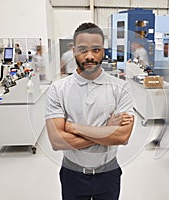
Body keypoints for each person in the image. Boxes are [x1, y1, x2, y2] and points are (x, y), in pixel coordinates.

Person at [45, 22, 135, 200]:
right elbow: (56, 141)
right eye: (83, 50)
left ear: (103, 51)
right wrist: (106, 131)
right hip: (73, 174)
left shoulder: (121, 88)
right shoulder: (58, 89)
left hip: (108, 173)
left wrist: (72, 127)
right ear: (74, 51)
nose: (89, 56)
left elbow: (122, 137)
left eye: (96, 49)